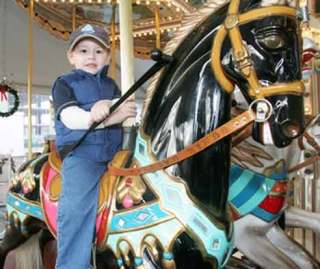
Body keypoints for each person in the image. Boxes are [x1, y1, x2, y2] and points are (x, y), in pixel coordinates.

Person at [52, 24, 136, 269]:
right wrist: (100, 114)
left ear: (108, 56)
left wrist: (118, 108)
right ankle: (71, 264)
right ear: (71, 56)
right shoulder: (65, 83)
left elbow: (126, 112)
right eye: (84, 51)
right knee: (76, 209)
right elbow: (70, 118)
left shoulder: (112, 85)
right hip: (82, 156)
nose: (91, 56)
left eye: (99, 51)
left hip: (116, 155)